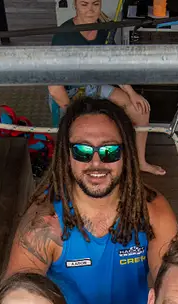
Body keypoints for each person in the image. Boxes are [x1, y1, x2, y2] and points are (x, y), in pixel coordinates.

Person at [6, 95, 178, 304]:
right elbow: (14, 303)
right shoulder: (44, 224)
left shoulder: (153, 211)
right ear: (67, 157)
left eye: (109, 152)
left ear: (126, 153)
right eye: (82, 152)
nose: (96, 163)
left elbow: (171, 290)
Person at [48, 0, 164, 176]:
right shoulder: (63, 36)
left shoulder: (104, 29)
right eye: (84, 4)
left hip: (94, 86)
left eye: (95, 4)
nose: (90, 10)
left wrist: (131, 93)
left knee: (140, 111)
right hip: (67, 92)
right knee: (78, 132)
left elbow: (114, 65)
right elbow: (55, 89)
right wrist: (73, 112)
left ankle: (141, 162)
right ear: (75, 5)